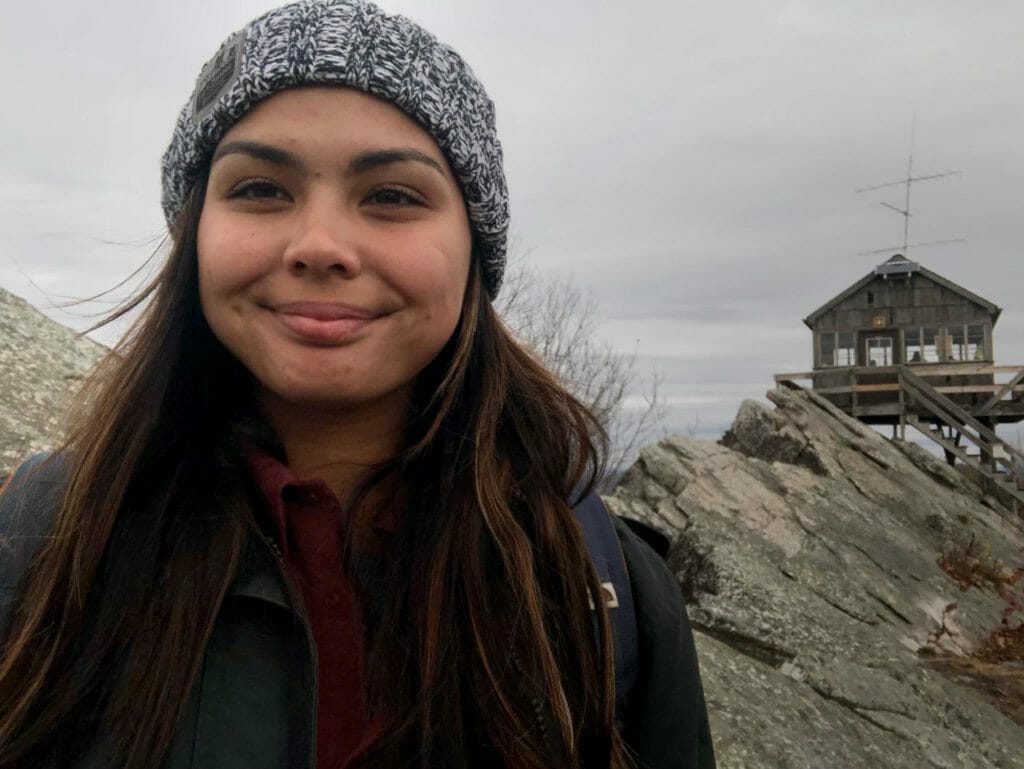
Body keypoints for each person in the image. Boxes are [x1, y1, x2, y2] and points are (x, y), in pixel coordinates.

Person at [0, 2, 714, 767]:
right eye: (261, 189)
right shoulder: (42, 540)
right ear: (195, 232)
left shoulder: (603, 586)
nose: (320, 246)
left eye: (392, 197)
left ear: (474, 246)